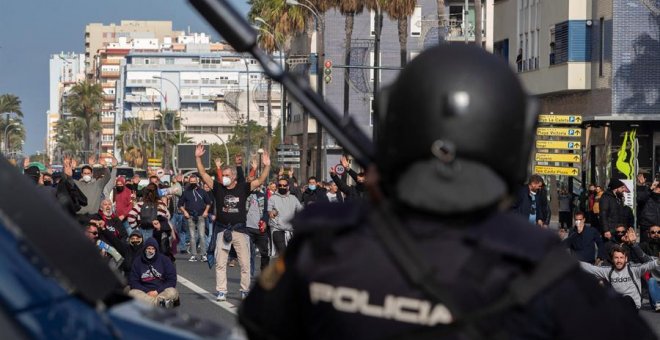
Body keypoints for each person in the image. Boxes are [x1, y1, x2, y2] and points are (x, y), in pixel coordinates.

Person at [239, 44, 653, 339]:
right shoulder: (546, 278)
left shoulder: (323, 251)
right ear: (517, 141)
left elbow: (257, 325)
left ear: (393, 126)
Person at [194, 144, 271, 302]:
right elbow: (202, 174)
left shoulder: (243, 187)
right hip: (222, 230)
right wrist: (198, 157)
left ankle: (244, 290)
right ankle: (221, 291)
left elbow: (261, 179)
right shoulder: (218, 187)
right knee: (221, 263)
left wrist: (267, 166)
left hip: (240, 231)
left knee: (245, 263)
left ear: (234, 176)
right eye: (224, 174)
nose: (224, 177)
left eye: (228, 174)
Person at [580, 244, 660, 310]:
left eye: (621, 258)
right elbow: (590, 268)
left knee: (627, 299)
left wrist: (658, 261)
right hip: (617, 306)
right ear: (612, 259)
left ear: (626, 259)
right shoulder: (608, 271)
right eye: (616, 258)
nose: (619, 261)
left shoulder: (634, 270)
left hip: (633, 306)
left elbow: (648, 266)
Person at [128, 237, 179, 308]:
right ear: (144, 249)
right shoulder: (137, 261)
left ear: (156, 250)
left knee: (172, 291)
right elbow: (133, 281)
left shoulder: (165, 260)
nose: (150, 251)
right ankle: (159, 304)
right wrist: (147, 291)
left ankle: (151, 304)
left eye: (153, 249)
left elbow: (172, 281)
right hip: (144, 292)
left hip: (161, 291)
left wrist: (157, 292)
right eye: (148, 248)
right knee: (131, 293)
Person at [178, 174, 211, 262]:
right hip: (190, 216)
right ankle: (193, 255)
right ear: (189, 182)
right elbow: (180, 204)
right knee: (192, 236)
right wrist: (184, 212)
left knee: (202, 235)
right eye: (191, 182)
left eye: (194, 181)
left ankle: (203, 254)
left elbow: (208, 203)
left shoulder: (202, 191)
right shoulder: (186, 192)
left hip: (201, 216)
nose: (192, 183)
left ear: (197, 181)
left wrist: (206, 211)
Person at [72, 155, 118, 220]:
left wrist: (112, 167)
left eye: (102, 176)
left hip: (98, 216)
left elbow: (110, 178)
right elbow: (68, 180)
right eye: (85, 173)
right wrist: (72, 169)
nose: (100, 177)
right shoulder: (81, 184)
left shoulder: (102, 186)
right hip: (81, 217)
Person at [268, 177, 302, 256]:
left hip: (290, 231)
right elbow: (269, 211)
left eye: (284, 185)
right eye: (280, 185)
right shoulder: (272, 198)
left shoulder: (293, 198)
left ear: (288, 186)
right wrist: (271, 213)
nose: (282, 187)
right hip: (277, 229)